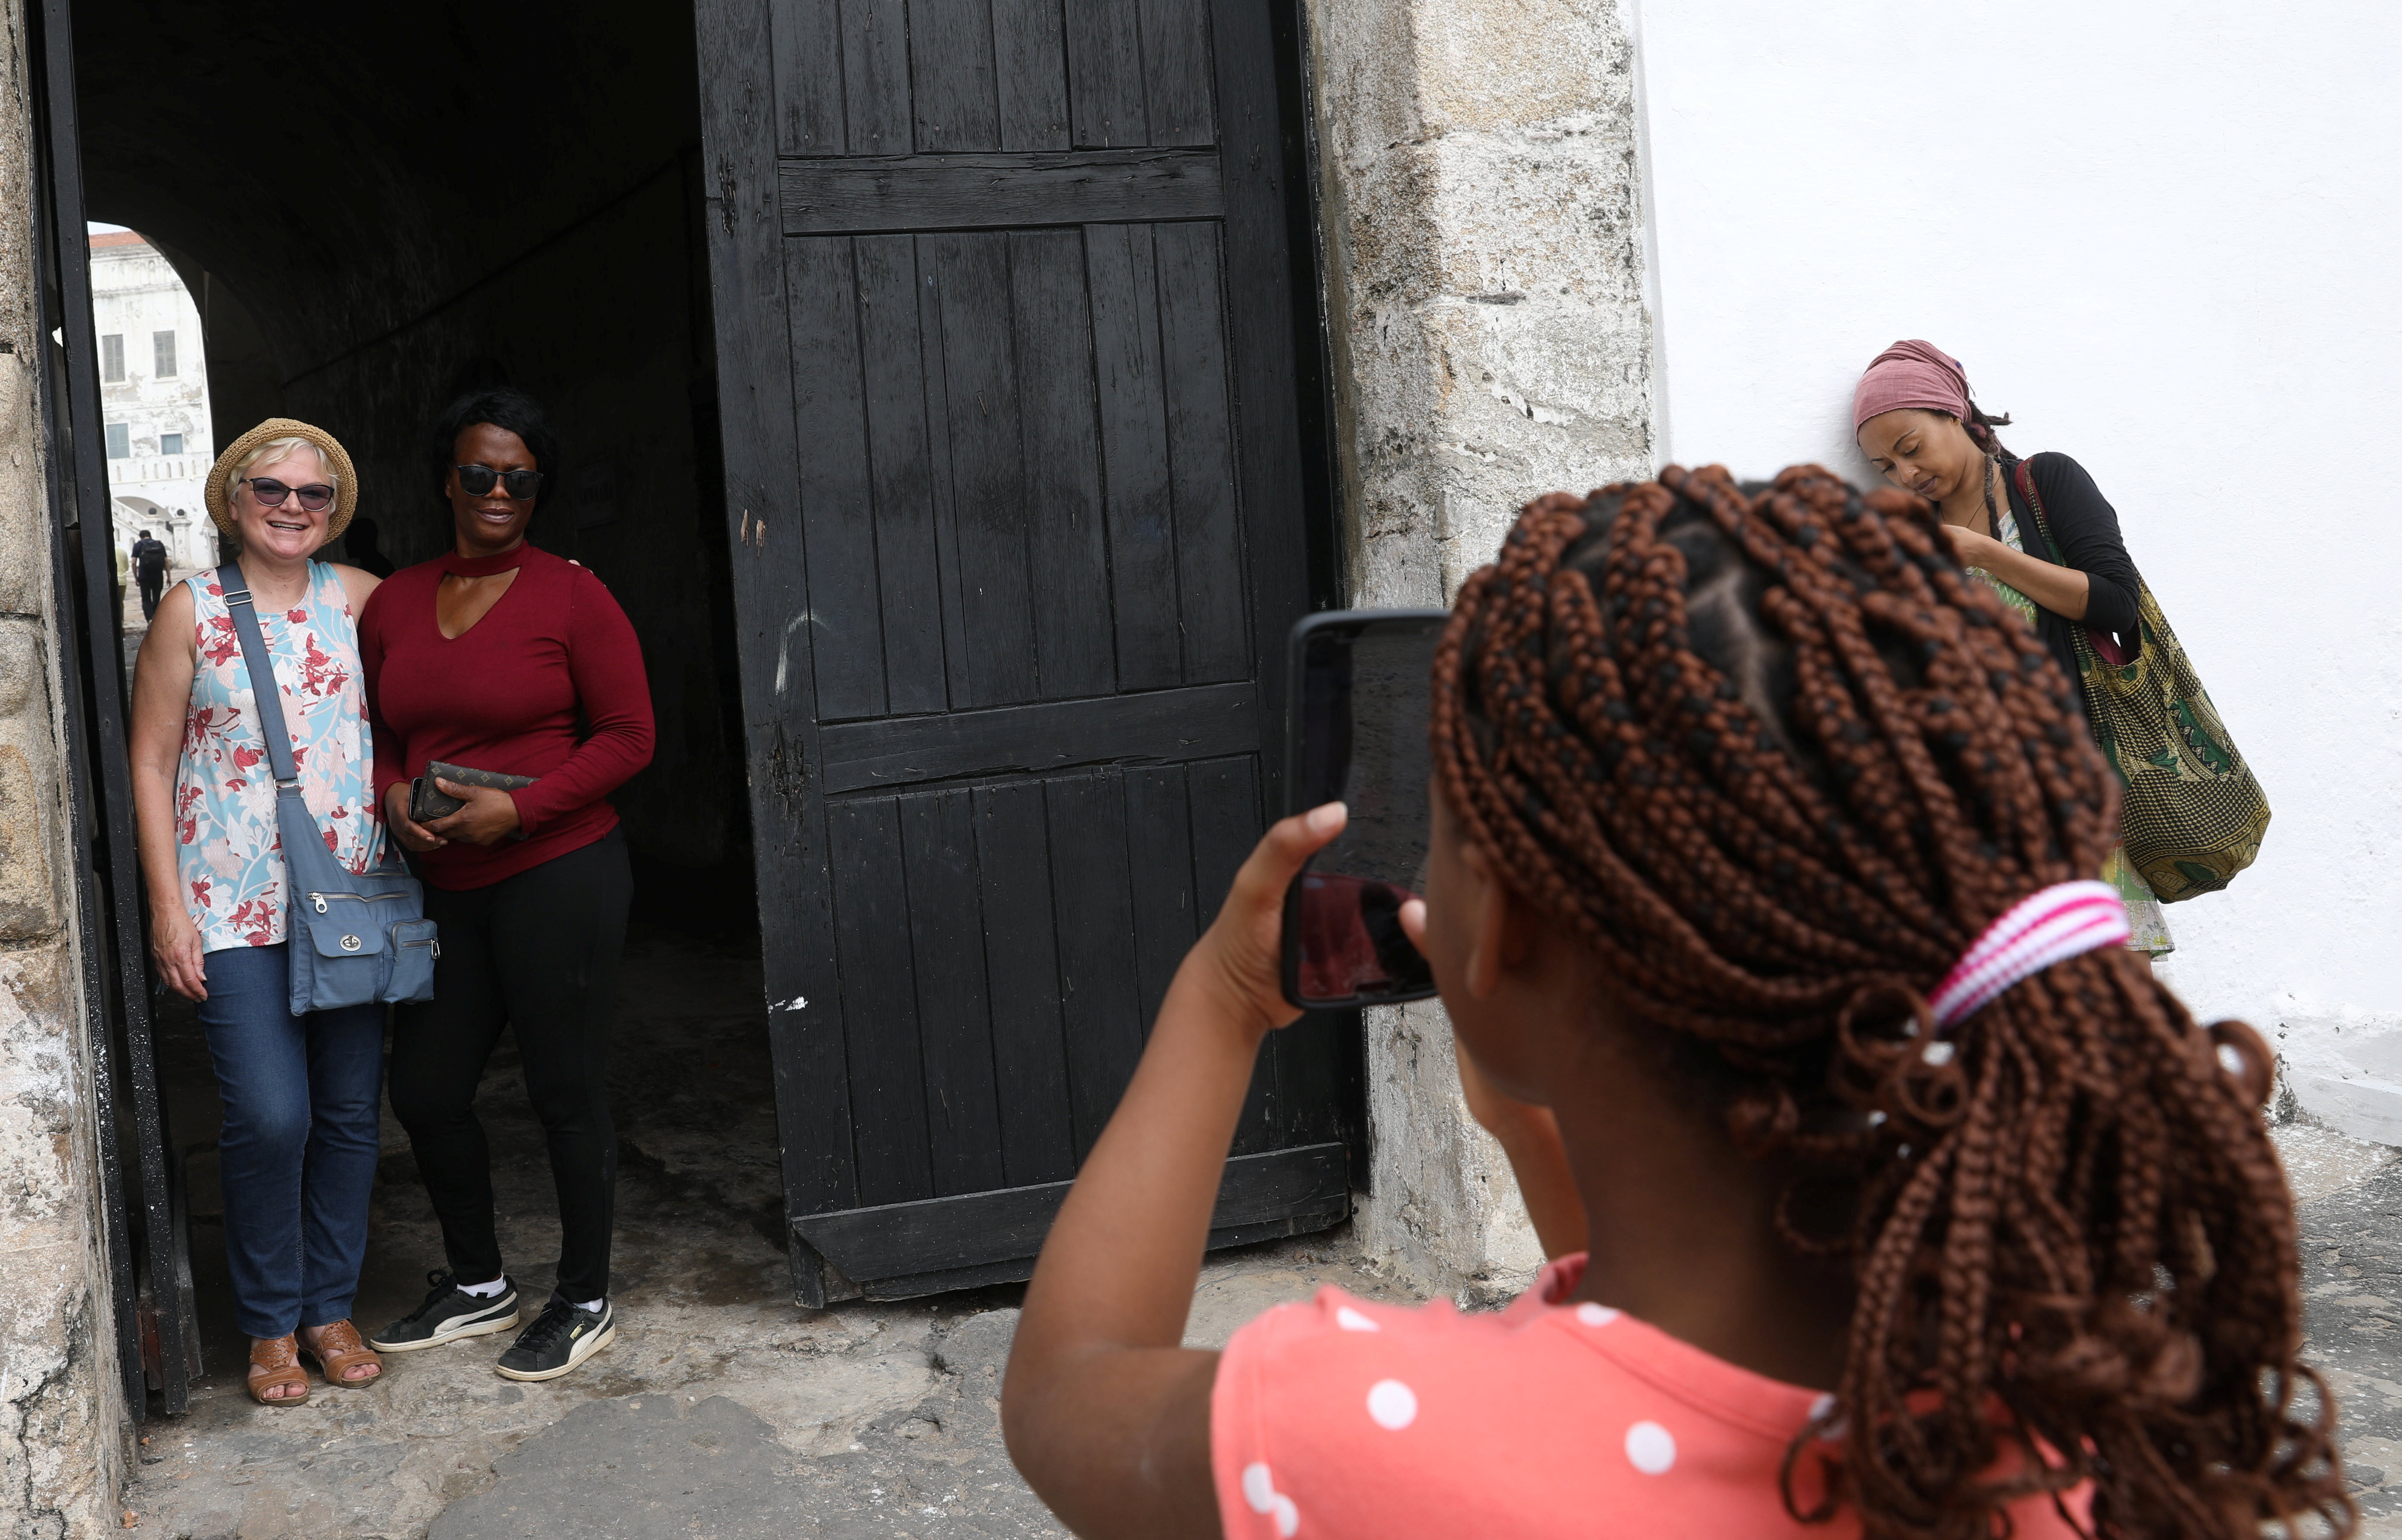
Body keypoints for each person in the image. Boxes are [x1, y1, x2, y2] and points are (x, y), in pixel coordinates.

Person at [998, 467, 2344, 1538]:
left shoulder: (1361, 1436)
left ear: (1508, 934)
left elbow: (1070, 1387)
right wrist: (1539, 1118)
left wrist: (1223, 994)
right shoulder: (2071, 1392)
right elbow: (1667, 1355)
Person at [359, 388, 655, 1383]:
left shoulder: (574, 594)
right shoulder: (397, 599)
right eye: (478, 472)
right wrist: (391, 789)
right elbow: (387, 727)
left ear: (538, 488)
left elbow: (629, 737)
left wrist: (520, 811)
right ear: (447, 478)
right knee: (427, 1086)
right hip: (448, 882)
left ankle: (583, 1298)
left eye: (518, 477)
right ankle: (480, 1281)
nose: (497, 490)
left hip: (559, 870)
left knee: (564, 1088)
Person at [126, 418, 391, 1407]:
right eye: (271, 490)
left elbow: (454, 654)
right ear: (234, 500)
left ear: (333, 510)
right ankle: (271, 1320)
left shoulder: (363, 600)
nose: (291, 507)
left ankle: (329, 1307)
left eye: (310, 495)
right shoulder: (191, 613)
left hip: (350, 899)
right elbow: (150, 762)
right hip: (227, 904)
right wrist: (166, 908)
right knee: (272, 1115)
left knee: (352, 1116)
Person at [1849, 339, 2172, 955]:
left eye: (1911, 448)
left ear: (1953, 414)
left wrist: (1985, 553)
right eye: (1887, 467)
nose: (1907, 474)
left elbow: (2114, 602)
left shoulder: (2045, 482)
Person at [131, 529, 169, 622]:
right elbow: (166, 561)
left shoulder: (138, 545)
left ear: (141, 537)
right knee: (157, 598)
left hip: (144, 576)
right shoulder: (159, 544)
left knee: (146, 599)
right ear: (150, 536)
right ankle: (156, 620)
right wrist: (169, 577)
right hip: (158, 576)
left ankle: (150, 620)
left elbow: (133, 563)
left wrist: (136, 578)